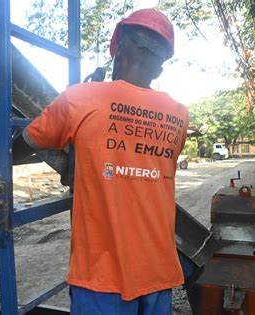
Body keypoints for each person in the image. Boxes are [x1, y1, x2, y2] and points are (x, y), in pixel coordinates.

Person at [22, 8, 189, 315]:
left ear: (118, 50)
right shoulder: (178, 114)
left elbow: (27, 143)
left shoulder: (80, 98)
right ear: (160, 68)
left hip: (101, 277)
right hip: (158, 270)